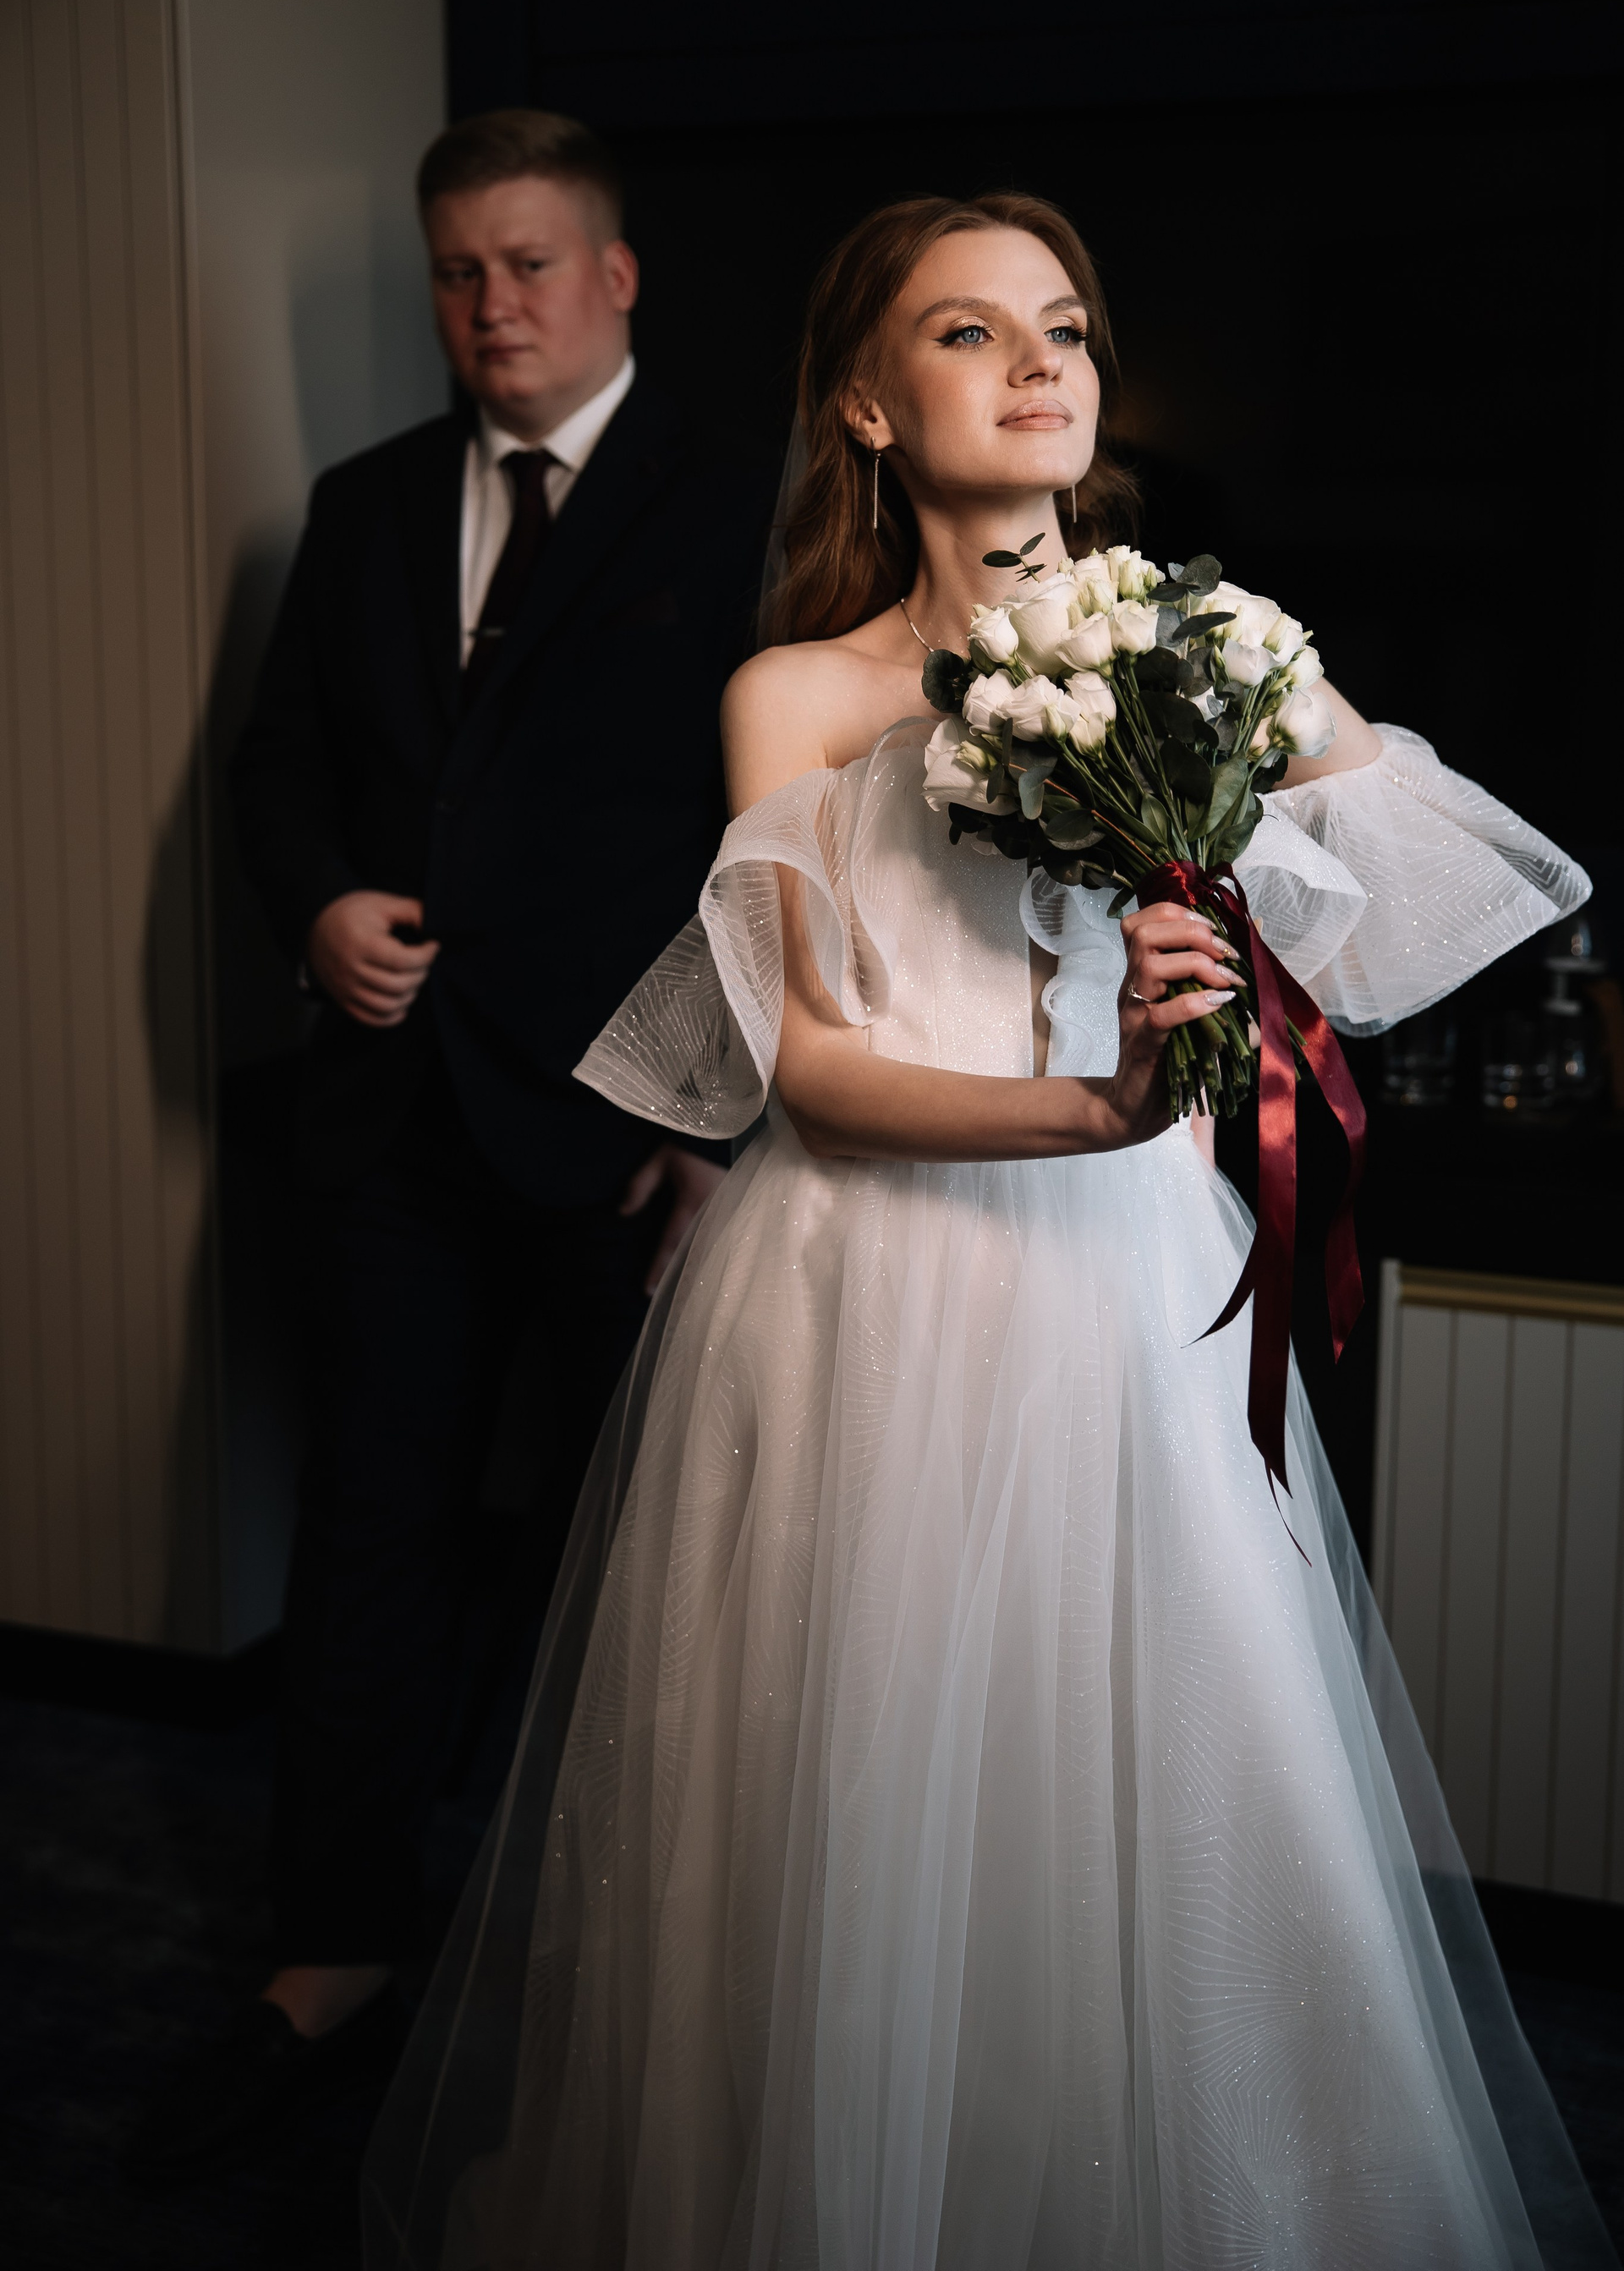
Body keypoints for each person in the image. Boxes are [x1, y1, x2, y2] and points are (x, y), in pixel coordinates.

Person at [363, 195, 1614, 2267]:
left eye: (1065, 327)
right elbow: (810, 1072)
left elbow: (1411, 863)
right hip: (865, 1290)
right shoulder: (798, 695)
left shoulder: (1195, 642)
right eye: (967, 331)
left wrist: (1269, 722)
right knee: (845, 1817)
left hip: (1124, 1292)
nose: (1039, 362)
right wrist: (1095, 1104)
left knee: (1154, 1791)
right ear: (867, 402)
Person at [127, 111, 771, 2180]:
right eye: (457, 271)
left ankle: (619, 1990)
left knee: (646, 1580)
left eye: (529, 263)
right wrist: (317, 903)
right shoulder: (366, 503)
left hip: (630, 1136)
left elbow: (791, 844)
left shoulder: (745, 498)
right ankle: (335, 1956)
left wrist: (722, 1119)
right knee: (368, 1546)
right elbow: (276, 768)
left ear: (617, 276)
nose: (491, 305)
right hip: (390, 1122)